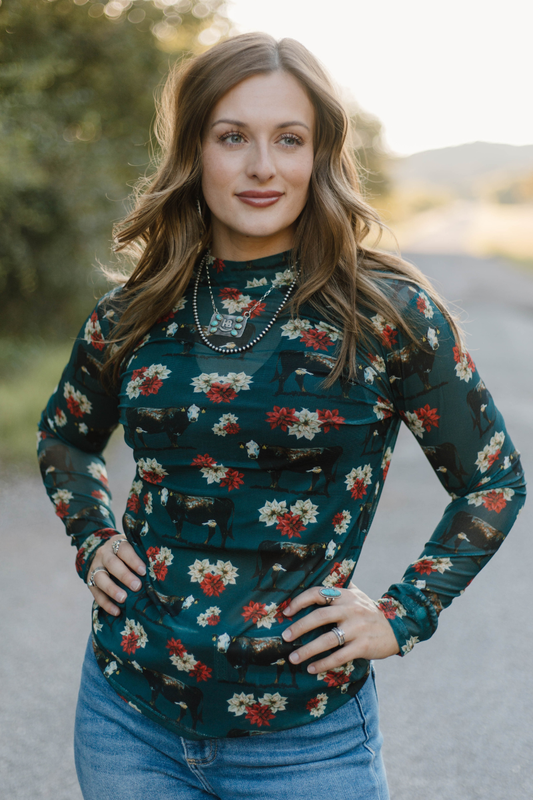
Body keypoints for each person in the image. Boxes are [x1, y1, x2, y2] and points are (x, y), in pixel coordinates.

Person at [37, 32, 526, 800]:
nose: (262, 166)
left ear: (318, 155)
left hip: (305, 742)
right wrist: (92, 538)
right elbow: (65, 439)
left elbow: (492, 479)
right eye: (233, 137)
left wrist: (403, 615)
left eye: (287, 139)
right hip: (127, 720)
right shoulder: (132, 311)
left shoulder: (388, 315)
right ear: (196, 153)